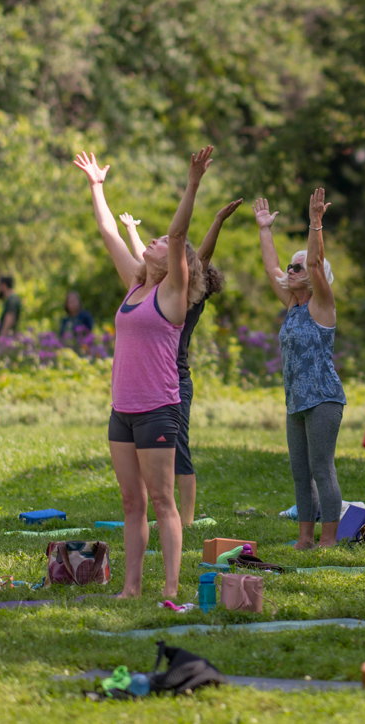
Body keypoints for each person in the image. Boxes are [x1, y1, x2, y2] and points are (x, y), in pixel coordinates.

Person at [73, 146, 213, 598]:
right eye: (148, 242)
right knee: (131, 503)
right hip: (123, 410)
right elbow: (108, 229)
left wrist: (192, 184)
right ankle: (131, 589)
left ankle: (170, 590)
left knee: (162, 502)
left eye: (158, 243)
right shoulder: (135, 285)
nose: (151, 241)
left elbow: (176, 236)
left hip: (158, 410)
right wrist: (97, 187)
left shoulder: (173, 294)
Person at [124, 201, 245, 530]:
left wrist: (218, 219)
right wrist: (132, 230)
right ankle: (167, 512)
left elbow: (201, 255)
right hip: (156, 379)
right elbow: (146, 263)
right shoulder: (161, 289)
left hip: (174, 379)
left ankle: (187, 519)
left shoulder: (185, 297)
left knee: (180, 448)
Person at [254, 189, 348, 549]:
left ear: (313, 276)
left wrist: (315, 224)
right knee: (300, 473)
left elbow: (312, 262)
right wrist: (265, 229)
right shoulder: (292, 305)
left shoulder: (322, 305)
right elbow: (269, 267)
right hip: (296, 401)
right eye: (290, 266)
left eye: (296, 267)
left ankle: (329, 539)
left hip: (324, 399)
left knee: (322, 468)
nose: (289, 271)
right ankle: (305, 538)